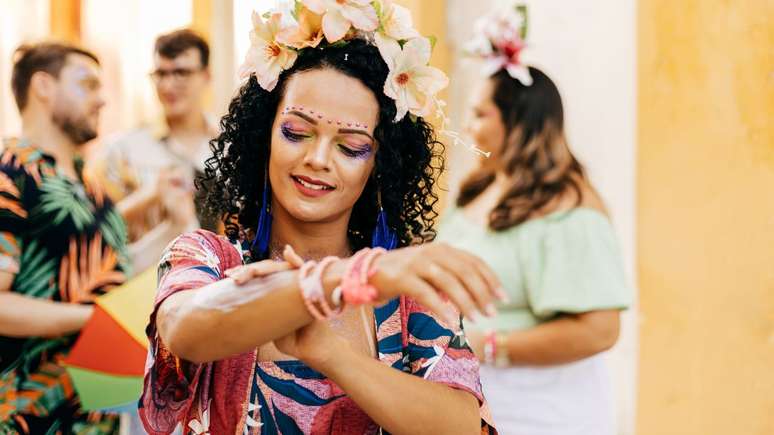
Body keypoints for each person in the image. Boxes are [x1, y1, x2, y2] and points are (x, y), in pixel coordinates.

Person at [139, 2, 500, 434]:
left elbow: (461, 426)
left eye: (350, 147)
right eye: (296, 132)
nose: (317, 159)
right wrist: (339, 281)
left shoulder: (405, 291)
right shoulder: (208, 257)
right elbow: (184, 330)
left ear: (379, 167)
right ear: (263, 136)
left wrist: (330, 352)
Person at [435, 7, 632, 435]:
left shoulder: (569, 207)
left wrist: (486, 346)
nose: (468, 126)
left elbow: (600, 329)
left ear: (520, 122)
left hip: (543, 409)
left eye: (481, 114)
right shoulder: (478, 189)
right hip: (475, 399)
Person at [0, 42, 130, 434]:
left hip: (98, 413)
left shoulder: (93, 186)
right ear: (43, 86)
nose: (101, 99)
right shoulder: (10, 174)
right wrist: (96, 319)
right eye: (87, 85)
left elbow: (109, 272)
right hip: (29, 416)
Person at [91, 29, 218, 274]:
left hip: (222, 287)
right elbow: (91, 232)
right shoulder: (122, 150)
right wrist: (148, 197)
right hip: (144, 290)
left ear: (206, 76)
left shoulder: (230, 146)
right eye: (161, 74)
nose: (168, 85)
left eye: (181, 73)